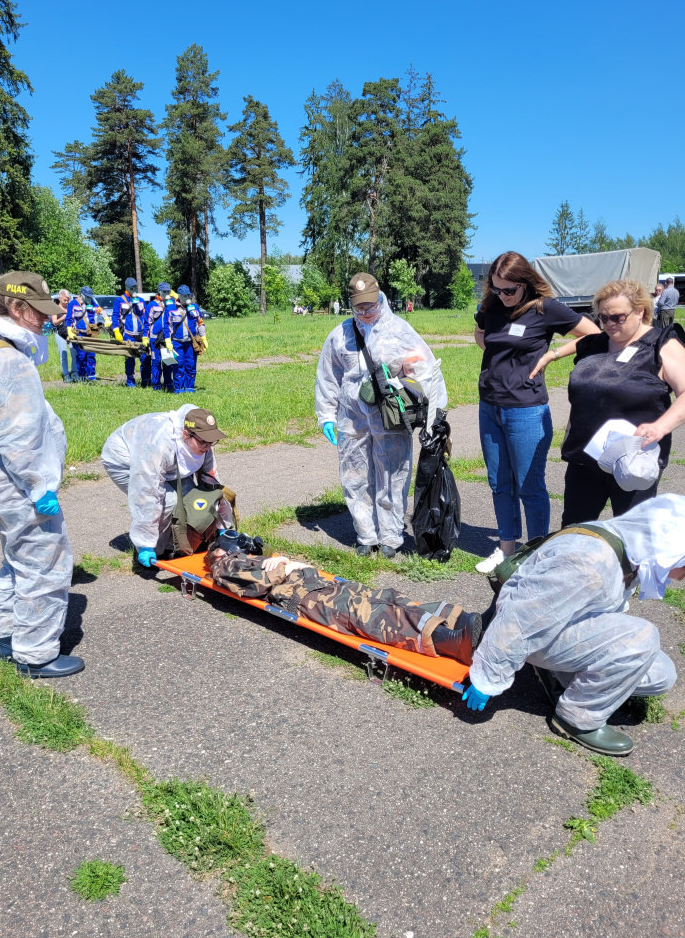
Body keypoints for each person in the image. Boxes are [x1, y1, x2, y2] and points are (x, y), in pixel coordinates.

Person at [463, 495, 682, 755]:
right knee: (644, 637)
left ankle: (567, 677)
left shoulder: (627, 547)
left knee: (662, 673)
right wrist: (487, 678)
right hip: (535, 632)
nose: (681, 579)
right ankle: (577, 718)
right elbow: (521, 619)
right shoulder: (590, 564)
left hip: (557, 624)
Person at [0, 272, 82, 678]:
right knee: (46, 566)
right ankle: (36, 654)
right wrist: (40, 488)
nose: (47, 321)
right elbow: (19, 441)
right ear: (16, 308)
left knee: (18, 563)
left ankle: (12, 637)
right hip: (20, 490)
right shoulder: (12, 362)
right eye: (40, 313)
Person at [473, 251, 599, 574]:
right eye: (496, 289)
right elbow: (480, 330)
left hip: (526, 411)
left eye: (509, 290)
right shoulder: (491, 305)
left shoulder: (545, 309)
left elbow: (593, 333)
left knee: (530, 485)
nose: (502, 296)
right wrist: (495, 350)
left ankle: (537, 554)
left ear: (525, 283)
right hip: (489, 406)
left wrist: (552, 354)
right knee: (499, 482)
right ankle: (506, 549)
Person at [316, 272, 447, 558]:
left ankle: (390, 536)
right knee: (355, 473)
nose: (365, 313)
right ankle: (366, 534)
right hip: (352, 418)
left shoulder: (399, 331)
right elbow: (328, 376)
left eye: (370, 306)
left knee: (392, 474)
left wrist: (422, 405)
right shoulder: (340, 335)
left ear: (380, 299)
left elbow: (424, 371)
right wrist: (326, 414)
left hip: (390, 417)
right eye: (359, 308)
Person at [205, 539, 482, 666]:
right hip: (307, 599)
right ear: (219, 551)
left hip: (320, 585)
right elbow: (258, 584)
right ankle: (452, 643)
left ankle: (459, 620)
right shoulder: (224, 566)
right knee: (372, 616)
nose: (238, 544)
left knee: (387, 597)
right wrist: (286, 566)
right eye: (229, 542)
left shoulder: (242, 558)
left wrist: (290, 565)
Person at [549, 279, 685, 525]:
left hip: (634, 460)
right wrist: (550, 355)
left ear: (640, 311)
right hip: (586, 457)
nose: (609, 324)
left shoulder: (662, 345)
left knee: (633, 537)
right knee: (574, 531)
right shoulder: (595, 344)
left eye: (618, 318)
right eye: (603, 318)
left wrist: (660, 427)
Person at [100, 405, 233, 567]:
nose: (208, 447)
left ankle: (178, 544)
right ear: (185, 434)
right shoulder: (161, 444)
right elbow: (147, 493)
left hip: (163, 462)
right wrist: (146, 542)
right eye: (204, 443)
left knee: (191, 499)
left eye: (212, 442)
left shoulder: (202, 440)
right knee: (167, 502)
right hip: (124, 457)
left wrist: (223, 525)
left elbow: (213, 484)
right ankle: (157, 551)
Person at [170, 284, 206, 394]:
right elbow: (168, 326)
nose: (187, 298)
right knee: (178, 365)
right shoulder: (172, 308)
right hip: (177, 342)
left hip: (191, 342)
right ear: (179, 296)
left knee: (190, 365)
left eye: (188, 295)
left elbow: (200, 322)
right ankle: (179, 388)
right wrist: (168, 342)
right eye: (184, 296)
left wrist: (203, 337)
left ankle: (190, 387)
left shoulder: (194, 308)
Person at [111, 277, 146, 387]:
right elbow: (115, 316)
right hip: (128, 334)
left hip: (140, 334)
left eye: (136, 287)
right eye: (132, 288)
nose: (134, 289)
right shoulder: (120, 300)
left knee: (144, 357)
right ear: (127, 288)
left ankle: (145, 380)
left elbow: (146, 316)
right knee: (130, 358)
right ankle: (130, 380)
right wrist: (116, 330)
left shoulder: (141, 300)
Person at [142, 282, 174, 390]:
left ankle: (168, 383)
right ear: (159, 292)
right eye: (164, 291)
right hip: (154, 338)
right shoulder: (152, 305)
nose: (166, 293)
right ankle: (156, 384)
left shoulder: (172, 304)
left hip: (167, 338)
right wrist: (145, 337)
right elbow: (147, 322)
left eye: (168, 291)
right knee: (156, 361)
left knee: (168, 361)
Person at [66, 286, 101, 381]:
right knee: (81, 357)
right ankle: (82, 377)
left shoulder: (93, 303)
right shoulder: (73, 304)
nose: (89, 298)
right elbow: (69, 319)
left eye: (90, 296)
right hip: (79, 335)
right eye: (87, 296)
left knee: (91, 356)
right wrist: (69, 331)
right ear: (82, 295)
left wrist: (105, 317)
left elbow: (100, 310)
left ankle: (91, 377)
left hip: (91, 335)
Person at [52, 288, 76, 383]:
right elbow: (54, 323)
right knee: (64, 354)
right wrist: (64, 317)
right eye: (65, 300)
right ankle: (66, 375)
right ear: (60, 298)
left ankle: (74, 372)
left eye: (68, 300)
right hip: (60, 334)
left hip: (70, 333)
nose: (66, 302)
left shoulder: (70, 307)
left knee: (74, 353)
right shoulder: (55, 308)